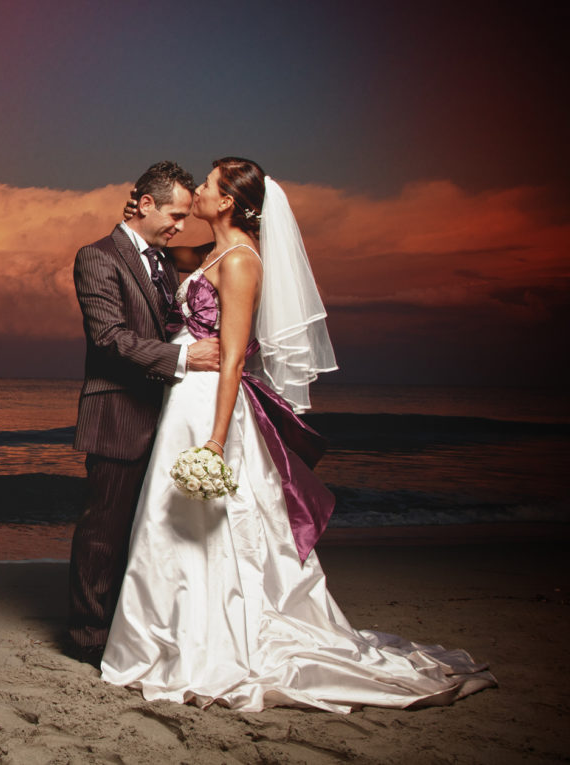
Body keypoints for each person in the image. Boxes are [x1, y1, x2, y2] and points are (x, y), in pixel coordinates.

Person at [100, 157, 496, 711]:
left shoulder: (240, 262)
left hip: (211, 406)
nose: (199, 195)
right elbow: (153, 262)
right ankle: (164, 640)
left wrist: (216, 442)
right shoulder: (210, 252)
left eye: (209, 186)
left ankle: (209, 644)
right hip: (183, 399)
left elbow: (235, 359)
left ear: (228, 202)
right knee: (172, 526)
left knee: (212, 528)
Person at [66, 161, 221, 663]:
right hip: (117, 415)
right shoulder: (97, 257)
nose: (180, 225)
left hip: (165, 416)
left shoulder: (167, 260)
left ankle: (129, 629)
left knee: (146, 532)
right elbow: (109, 340)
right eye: (175, 214)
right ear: (146, 204)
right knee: (104, 531)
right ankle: (88, 637)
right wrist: (184, 357)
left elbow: (224, 250)